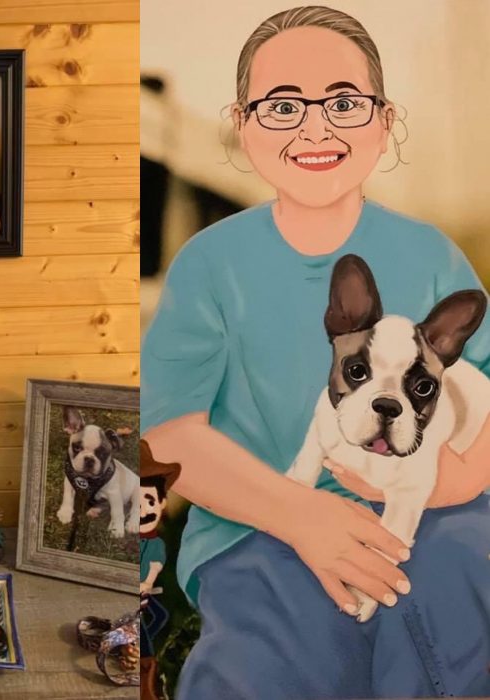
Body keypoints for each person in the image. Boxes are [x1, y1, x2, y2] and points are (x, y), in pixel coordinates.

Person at [141, 6, 490, 699]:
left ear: (384, 122)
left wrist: (454, 484)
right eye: (282, 105)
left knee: (455, 599)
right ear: (242, 124)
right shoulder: (210, 263)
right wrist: (302, 516)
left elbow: (484, 391)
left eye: (343, 101)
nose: (315, 126)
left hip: (435, 516)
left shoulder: (431, 256)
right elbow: (170, 427)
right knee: (272, 649)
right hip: (260, 521)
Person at [139, 439, 181, 700]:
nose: (143, 510)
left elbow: (155, 565)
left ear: (162, 502)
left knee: (159, 616)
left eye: (149, 501)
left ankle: (146, 658)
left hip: (147, 590)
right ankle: (144, 660)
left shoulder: (156, 544)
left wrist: (147, 583)